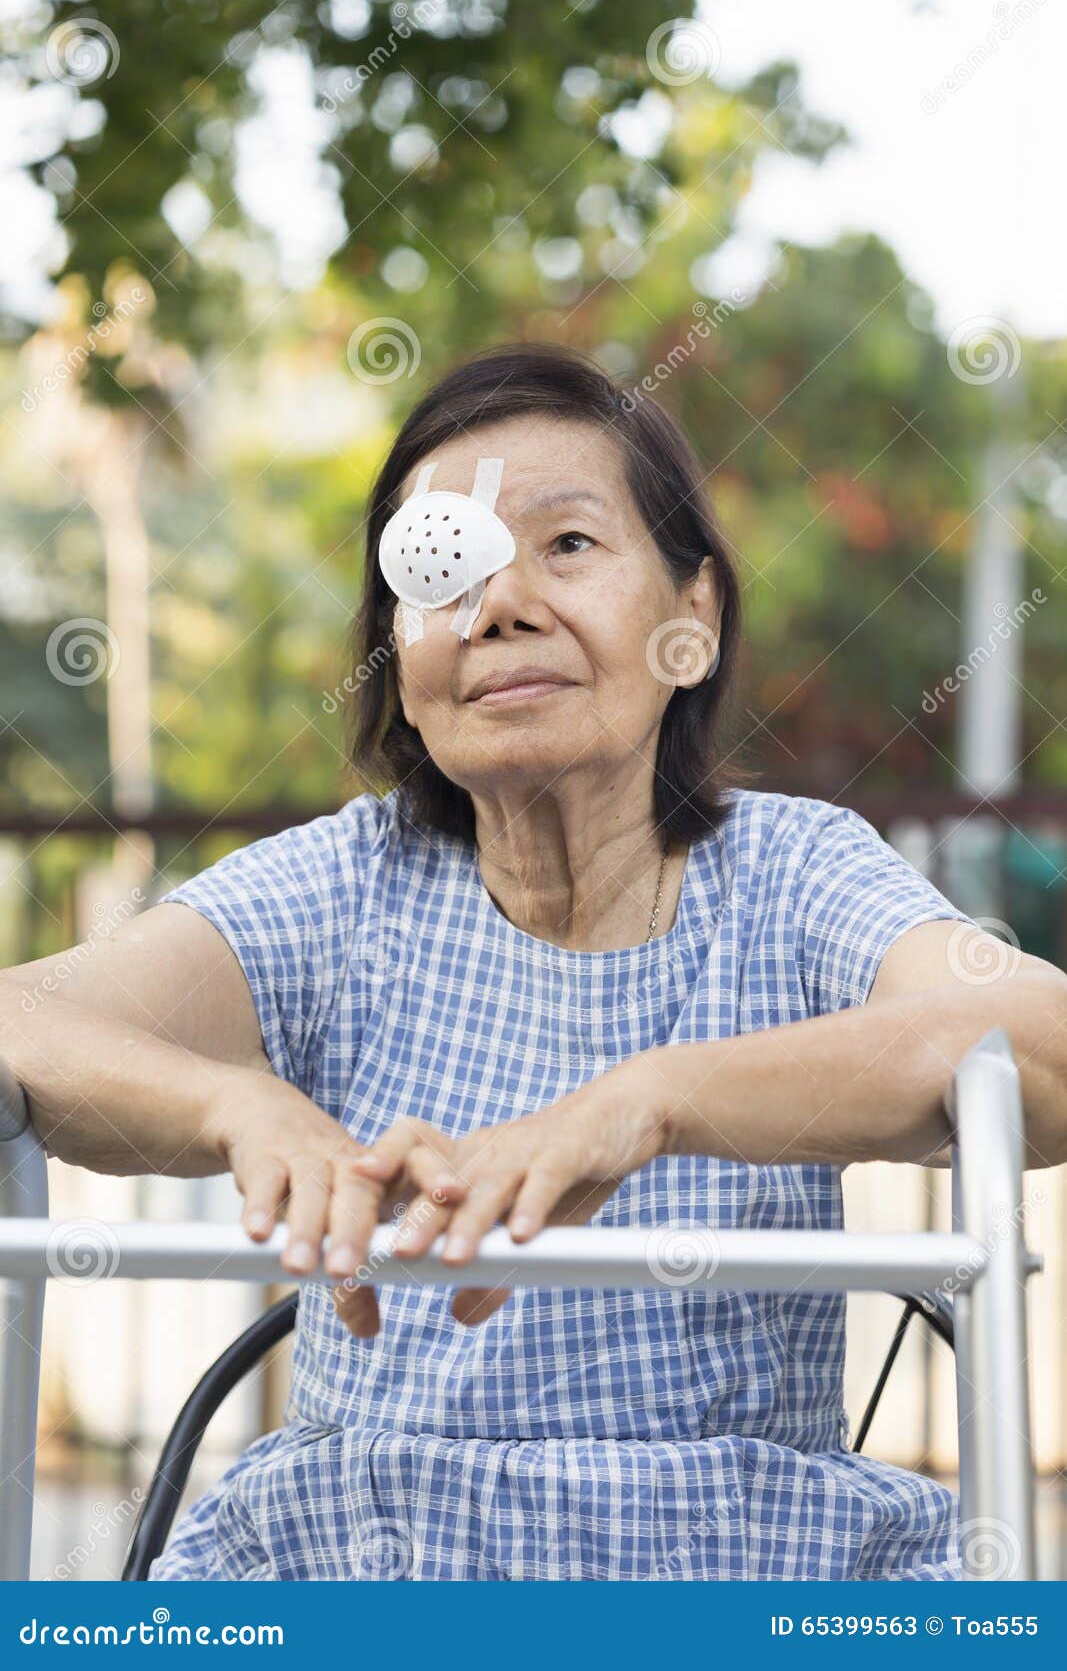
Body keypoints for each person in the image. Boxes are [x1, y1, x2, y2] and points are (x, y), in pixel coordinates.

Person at [4, 343, 1066, 1581]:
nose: (498, 603)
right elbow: (25, 1015)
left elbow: (1038, 1038)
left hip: (738, 1579)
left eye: (566, 545)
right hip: (358, 1571)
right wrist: (235, 1105)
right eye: (441, 563)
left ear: (692, 617)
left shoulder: (790, 874)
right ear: (401, 655)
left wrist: (647, 1104)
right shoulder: (347, 885)